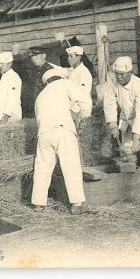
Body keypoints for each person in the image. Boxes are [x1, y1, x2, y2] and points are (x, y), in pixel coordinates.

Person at [31, 68, 92, 215]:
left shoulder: (40, 96)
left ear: (47, 81)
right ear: (60, 77)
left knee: (42, 168)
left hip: (44, 134)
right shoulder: (65, 84)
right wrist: (84, 117)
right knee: (71, 166)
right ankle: (77, 204)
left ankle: (38, 203)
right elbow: (84, 98)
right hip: (63, 130)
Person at [103, 56, 140, 199]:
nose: (119, 77)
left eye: (122, 74)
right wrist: (113, 125)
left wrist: (137, 139)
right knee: (126, 152)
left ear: (130, 72)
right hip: (128, 118)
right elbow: (109, 103)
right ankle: (129, 186)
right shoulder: (112, 83)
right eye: (117, 74)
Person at [0, 51, 22, 125]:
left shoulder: (13, 77)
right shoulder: (4, 76)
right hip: (2, 116)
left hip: (10, 117)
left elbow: (13, 98)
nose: (0, 66)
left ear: (10, 64)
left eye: (3, 63)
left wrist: (6, 115)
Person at [65, 45, 93, 111]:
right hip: (73, 107)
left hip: (82, 108)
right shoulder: (71, 70)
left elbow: (81, 94)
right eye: (68, 56)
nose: (68, 58)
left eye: (71, 56)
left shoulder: (84, 72)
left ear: (79, 57)